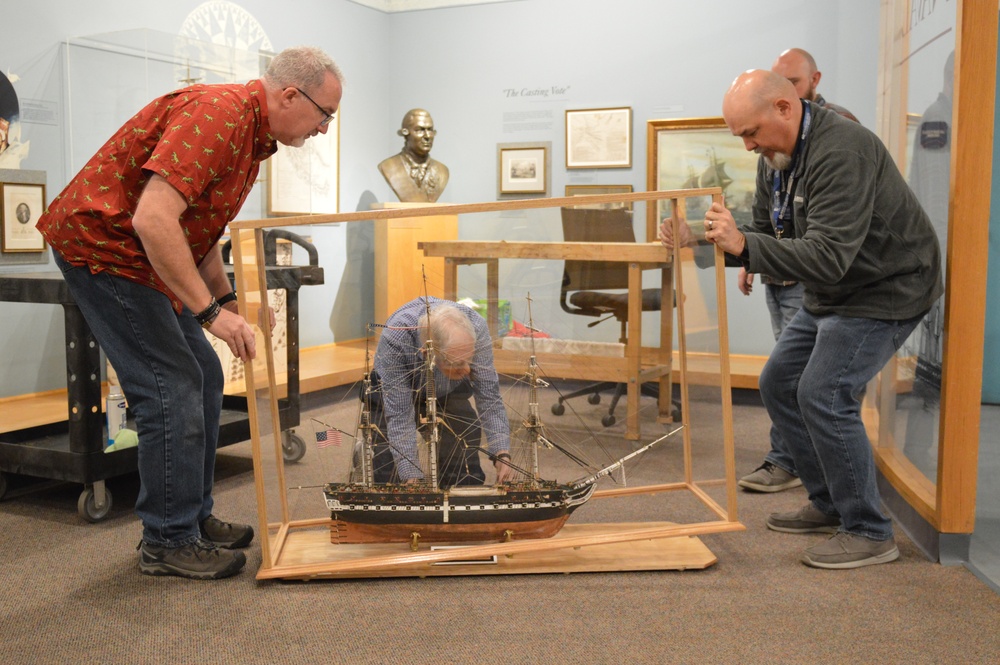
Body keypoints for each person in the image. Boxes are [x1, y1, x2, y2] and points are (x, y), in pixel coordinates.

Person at [36, 46, 344, 580]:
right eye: (325, 114)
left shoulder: (252, 135)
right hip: (105, 249)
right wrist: (209, 316)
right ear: (291, 95)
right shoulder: (221, 114)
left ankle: (192, 518)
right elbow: (155, 220)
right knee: (170, 385)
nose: (324, 128)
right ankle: (167, 540)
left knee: (201, 374)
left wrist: (226, 305)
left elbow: (197, 231)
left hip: (139, 255)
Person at [661, 70, 942, 569]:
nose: (747, 146)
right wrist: (697, 239)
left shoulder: (843, 151)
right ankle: (830, 503)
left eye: (751, 132)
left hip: (885, 289)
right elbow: (769, 231)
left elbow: (828, 254)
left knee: (824, 394)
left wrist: (746, 246)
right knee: (778, 382)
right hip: (835, 290)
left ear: (785, 109)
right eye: (740, 136)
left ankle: (869, 529)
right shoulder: (775, 158)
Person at [738, 47, 861, 493]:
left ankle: (797, 465)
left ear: (813, 80)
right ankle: (800, 468)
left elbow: (832, 236)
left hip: (819, 279)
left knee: (814, 386)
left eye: (793, 82)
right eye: (778, 81)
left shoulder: (839, 133)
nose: (784, 91)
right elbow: (761, 212)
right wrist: (750, 257)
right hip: (779, 274)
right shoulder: (769, 143)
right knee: (783, 377)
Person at [366, 297, 512, 487]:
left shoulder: (476, 326)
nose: (468, 370)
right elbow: (400, 415)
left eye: (470, 360)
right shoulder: (395, 337)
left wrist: (502, 452)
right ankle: (367, 454)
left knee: (464, 478)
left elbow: (489, 396)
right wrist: (411, 477)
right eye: (459, 363)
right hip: (392, 391)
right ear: (429, 355)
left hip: (446, 389)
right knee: (390, 483)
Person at [378, 108, 449, 202]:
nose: (427, 136)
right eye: (420, 130)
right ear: (405, 133)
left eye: (430, 130)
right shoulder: (388, 166)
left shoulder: (442, 170)